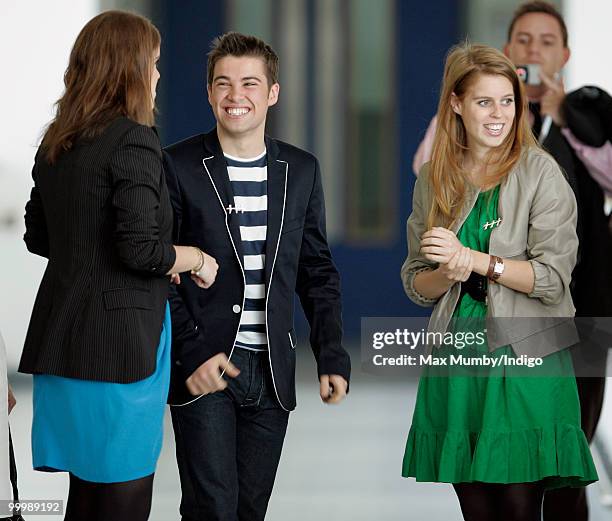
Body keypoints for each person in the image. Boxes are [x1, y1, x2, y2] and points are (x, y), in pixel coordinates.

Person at [412, 5, 612, 518]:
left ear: (563, 55)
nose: (498, 112)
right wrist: (447, 270)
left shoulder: (571, 132)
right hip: (460, 348)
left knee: (540, 485)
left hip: (549, 330)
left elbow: (550, 276)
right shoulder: (440, 173)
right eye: (483, 101)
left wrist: (474, 260)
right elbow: (418, 277)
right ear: (459, 104)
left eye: (507, 101)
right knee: (478, 501)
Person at [19, 11, 217, 521]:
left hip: (62, 345)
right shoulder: (133, 139)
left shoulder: (56, 142)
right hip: (120, 349)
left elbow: (40, 238)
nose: (156, 76)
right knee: (124, 498)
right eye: (152, 65)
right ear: (128, 70)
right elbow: (141, 250)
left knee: (85, 497)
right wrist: (192, 257)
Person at [163, 32, 351, 521]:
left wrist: (330, 353)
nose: (234, 95)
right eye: (222, 84)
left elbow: (317, 270)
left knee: (249, 509)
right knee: (212, 508)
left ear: (272, 93)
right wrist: (193, 352)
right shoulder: (178, 166)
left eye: (249, 83)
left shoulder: (301, 170)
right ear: (209, 93)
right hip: (205, 367)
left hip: (271, 371)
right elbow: (161, 272)